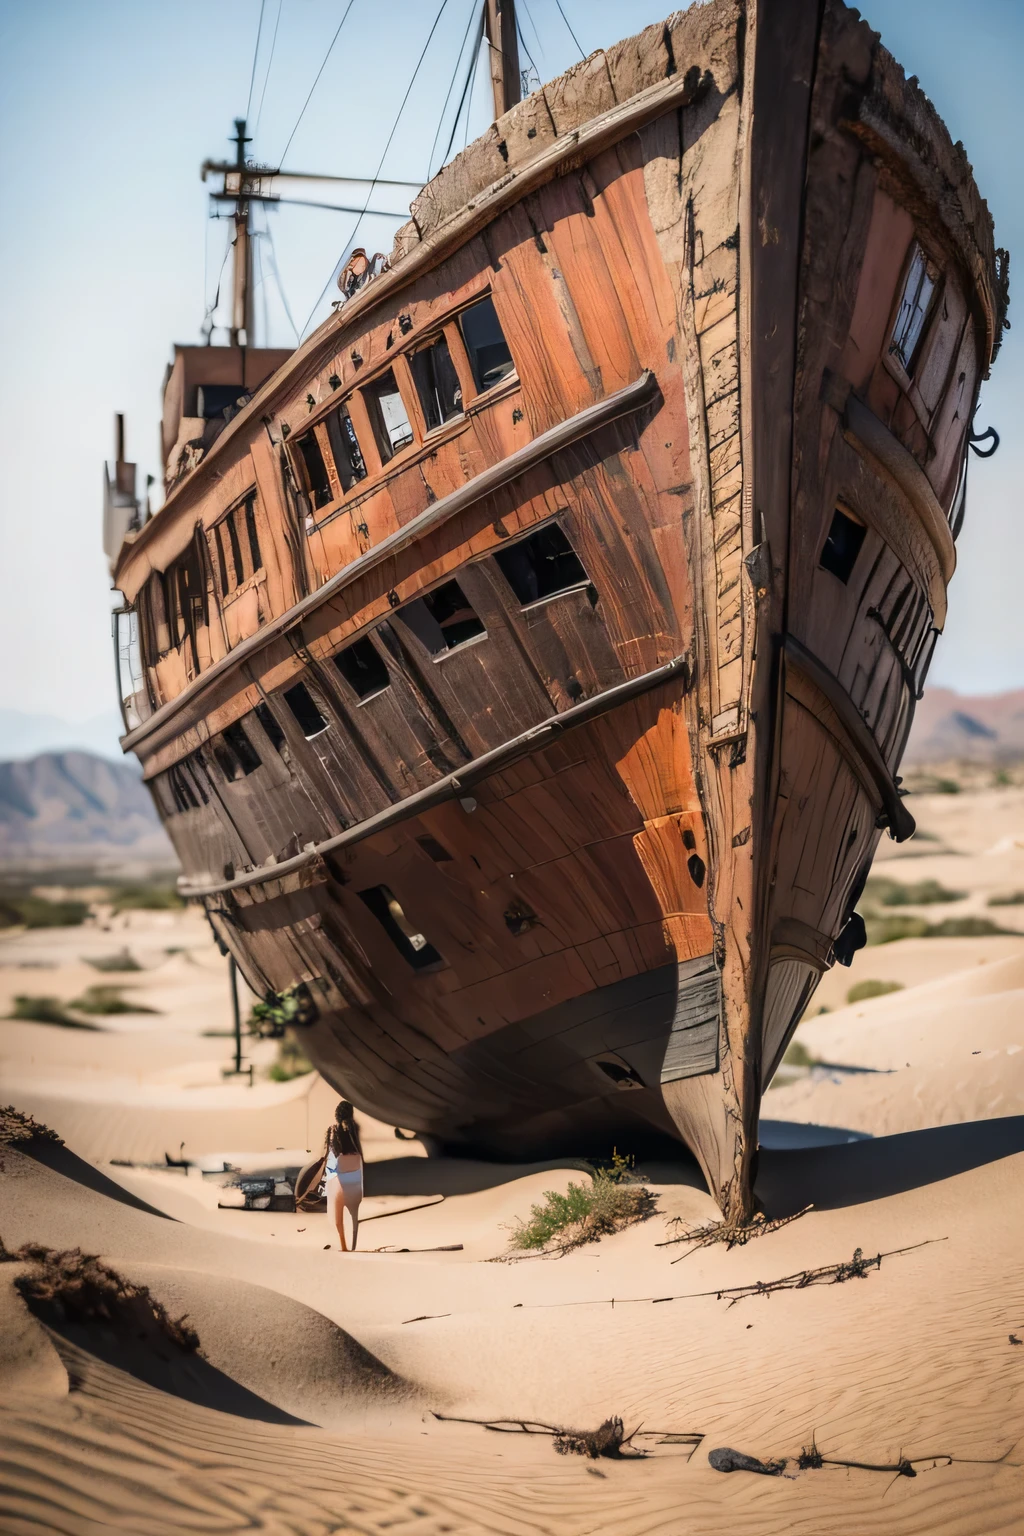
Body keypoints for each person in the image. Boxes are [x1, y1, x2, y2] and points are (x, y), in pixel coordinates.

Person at [324, 1100, 363, 1252]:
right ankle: (354, 1243)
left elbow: (332, 1151)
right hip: (356, 1167)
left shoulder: (333, 1129)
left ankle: (344, 1245)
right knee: (354, 1212)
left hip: (340, 1170)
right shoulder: (355, 1127)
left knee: (337, 1208)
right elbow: (359, 1148)